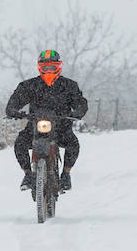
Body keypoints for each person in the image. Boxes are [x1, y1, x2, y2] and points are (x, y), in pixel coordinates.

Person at [6, 49, 88, 192]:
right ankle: (27, 174)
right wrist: (13, 111)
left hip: (62, 127)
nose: (49, 70)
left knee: (73, 144)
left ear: (59, 67)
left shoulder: (69, 86)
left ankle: (66, 174)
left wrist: (78, 112)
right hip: (34, 126)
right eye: (45, 67)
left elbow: (80, 103)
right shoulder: (29, 85)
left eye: (52, 67)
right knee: (20, 143)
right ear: (39, 67)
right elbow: (14, 102)